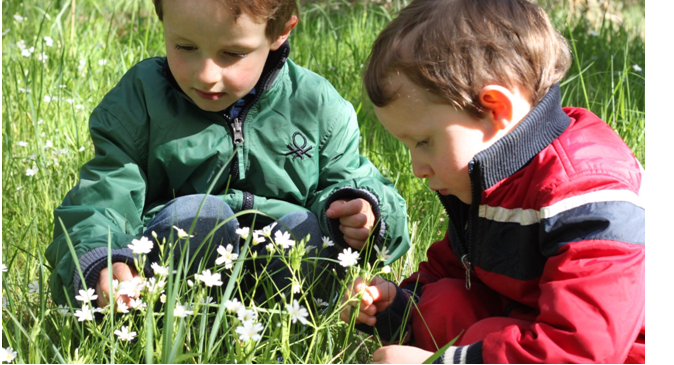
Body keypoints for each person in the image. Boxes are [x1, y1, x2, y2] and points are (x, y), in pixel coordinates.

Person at [45, 0, 410, 311]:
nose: (206, 75)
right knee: (200, 217)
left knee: (306, 229)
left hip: (290, 289)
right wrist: (97, 260)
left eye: (233, 54)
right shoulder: (141, 99)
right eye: (185, 47)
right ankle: (172, 330)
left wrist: (364, 212)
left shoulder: (316, 105)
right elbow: (104, 195)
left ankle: (287, 336)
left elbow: (351, 178)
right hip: (173, 279)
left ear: (280, 31)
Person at [339, 0, 645, 363]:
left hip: (619, 353)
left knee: (481, 331)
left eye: (423, 142)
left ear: (495, 109)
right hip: (530, 324)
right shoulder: (493, 176)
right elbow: (454, 267)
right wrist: (397, 307)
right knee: (445, 301)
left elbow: (579, 349)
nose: (416, 167)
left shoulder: (587, 193)